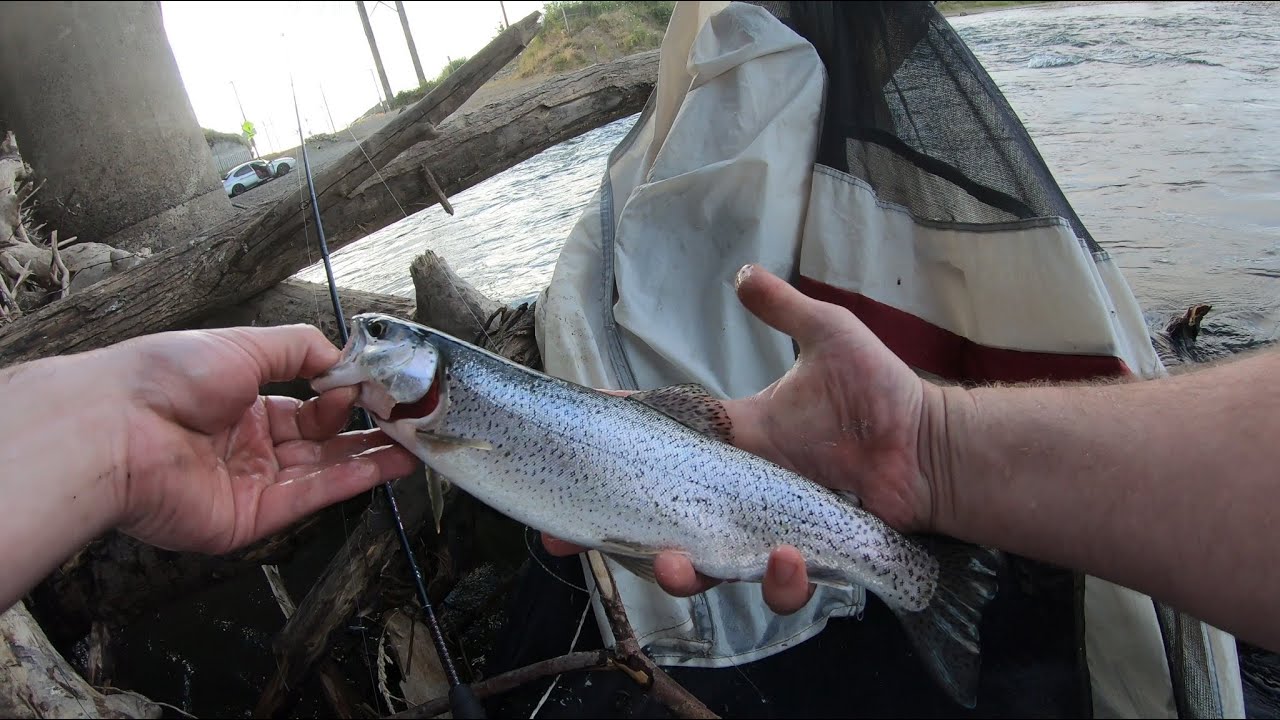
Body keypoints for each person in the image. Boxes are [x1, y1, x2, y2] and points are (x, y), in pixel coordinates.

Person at [1, 264, 1278, 656]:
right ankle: (911, 561)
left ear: (415, 369)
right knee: (653, 540)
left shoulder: (435, 405)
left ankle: (908, 564)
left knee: (668, 540)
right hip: (658, 476)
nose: (358, 349)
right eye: (369, 341)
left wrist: (94, 435)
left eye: (377, 337)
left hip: (682, 476)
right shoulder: (426, 414)